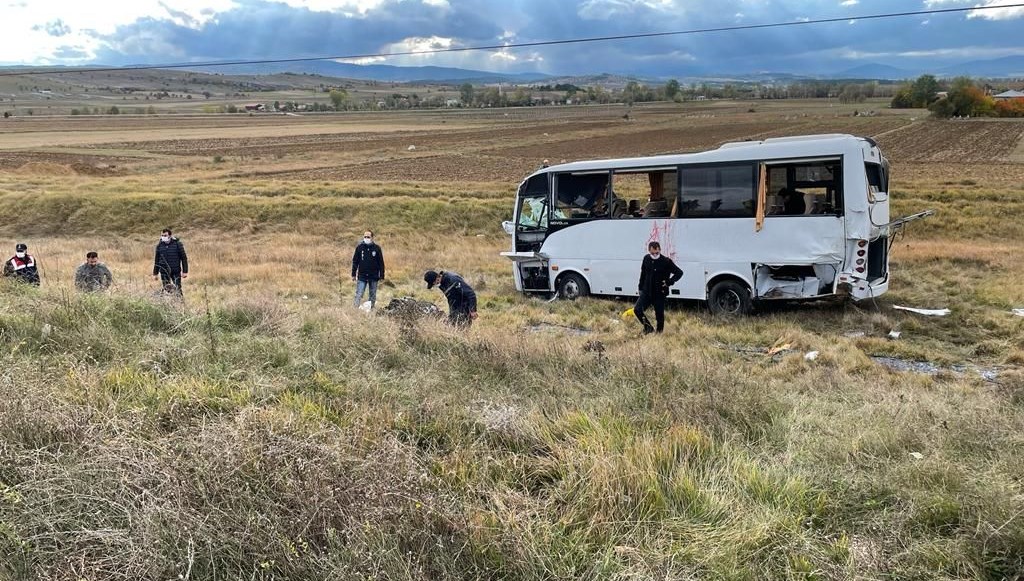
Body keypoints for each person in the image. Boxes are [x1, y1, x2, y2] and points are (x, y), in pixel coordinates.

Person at [634, 241, 683, 334]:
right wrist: (640, 287)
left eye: (657, 253)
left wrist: (669, 282)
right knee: (637, 310)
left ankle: (659, 333)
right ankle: (648, 328)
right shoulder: (646, 259)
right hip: (647, 291)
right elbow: (643, 274)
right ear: (649, 251)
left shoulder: (666, 261)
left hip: (660, 292)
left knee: (659, 315)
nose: (655, 255)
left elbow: (679, 272)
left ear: (660, 250)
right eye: (652, 253)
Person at [351, 230, 385, 309]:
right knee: (359, 294)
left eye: (368, 237)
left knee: (372, 295)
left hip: (374, 276)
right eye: (365, 236)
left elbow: (381, 263)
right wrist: (353, 274)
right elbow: (355, 261)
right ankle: (355, 310)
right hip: (362, 276)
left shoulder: (377, 248)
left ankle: (371, 310)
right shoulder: (359, 248)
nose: (366, 238)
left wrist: (382, 275)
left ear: (372, 238)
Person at [152, 228, 189, 295]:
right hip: (164, 271)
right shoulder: (159, 246)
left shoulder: (177, 244)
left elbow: (183, 258)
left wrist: (185, 271)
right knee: (167, 288)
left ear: (170, 235)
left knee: (177, 288)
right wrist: (155, 273)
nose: (163, 237)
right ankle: (170, 300)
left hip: (175, 271)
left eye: (165, 235)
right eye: (162, 235)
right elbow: (157, 260)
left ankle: (180, 300)